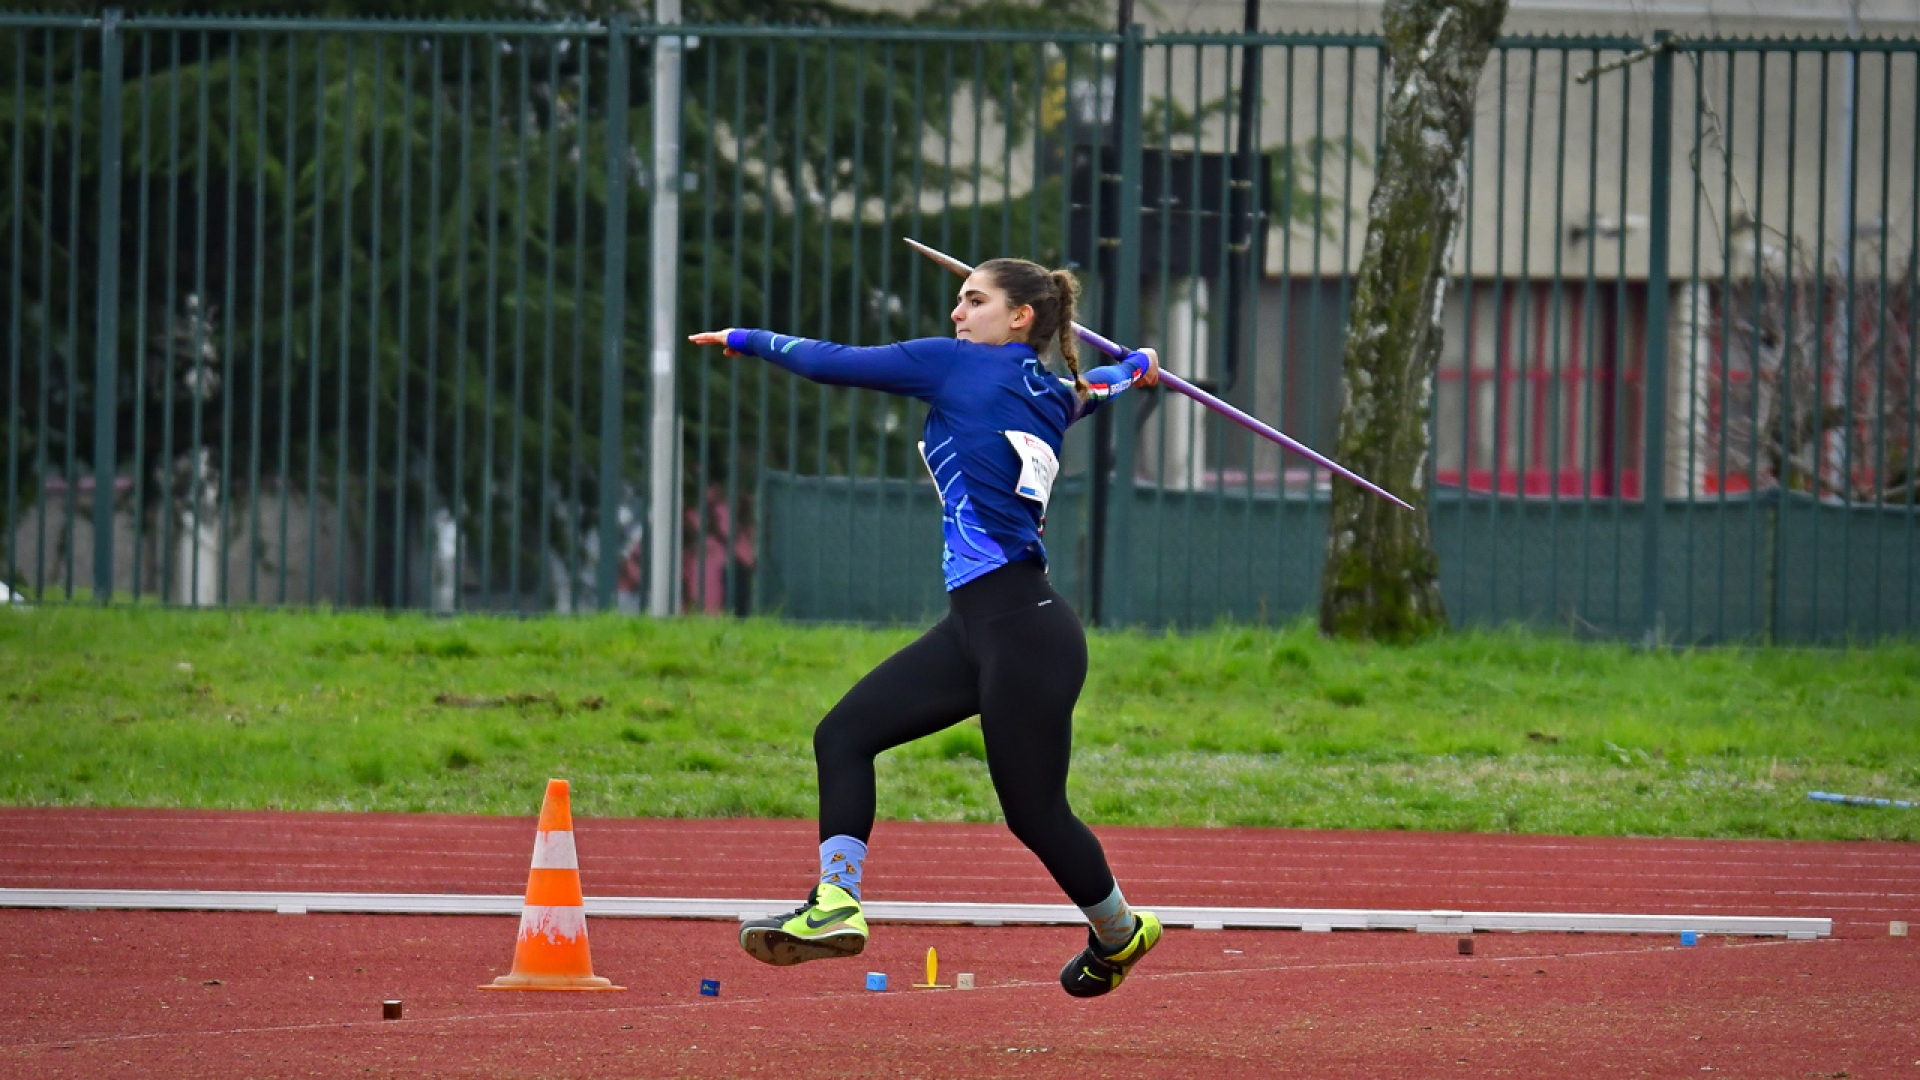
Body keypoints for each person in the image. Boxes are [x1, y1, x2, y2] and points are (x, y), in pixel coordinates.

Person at [688, 258, 1162, 999]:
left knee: (1035, 814)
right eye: (958, 301)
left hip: (1023, 630)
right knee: (842, 735)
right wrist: (1134, 367)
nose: (956, 314)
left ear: (1020, 318)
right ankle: (836, 903)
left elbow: (834, 363)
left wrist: (746, 337)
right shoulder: (1047, 394)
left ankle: (1120, 931)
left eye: (974, 301)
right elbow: (1091, 391)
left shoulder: (954, 366)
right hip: (978, 628)